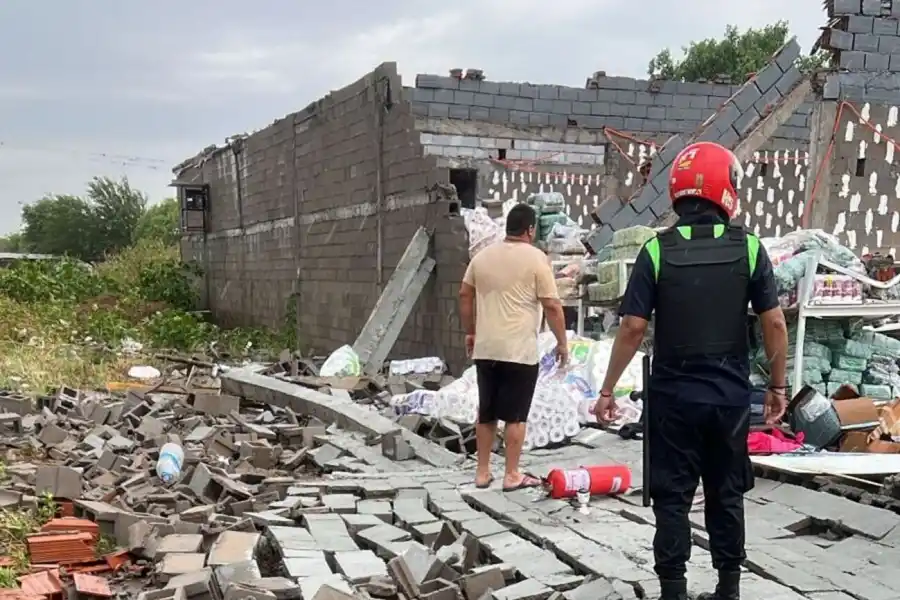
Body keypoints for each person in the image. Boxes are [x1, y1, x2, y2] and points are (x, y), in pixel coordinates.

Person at [592, 142, 789, 600]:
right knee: (726, 493)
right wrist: (777, 385)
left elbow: (632, 327)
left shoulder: (656, 251)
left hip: (673, 400)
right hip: (729, 399)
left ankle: (674, 591)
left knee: (672, 497)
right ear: (726, 188)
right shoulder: (751, 248)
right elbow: (774, 321)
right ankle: (728, 588)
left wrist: (607, 390)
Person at [459, 203, 569, 491]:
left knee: (487, 413)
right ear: (530, 230)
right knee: (516, 415)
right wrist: (562, 342)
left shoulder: (481, 258)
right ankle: (511, 474)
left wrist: (471, 331)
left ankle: (482, 472)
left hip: (486, 348)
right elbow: (552, 305)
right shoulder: (536, 259)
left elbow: (464, 293)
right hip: (519, 351)